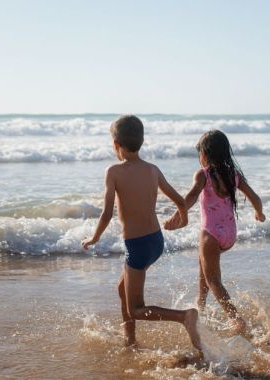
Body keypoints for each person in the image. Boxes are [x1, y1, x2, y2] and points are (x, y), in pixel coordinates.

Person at [81, 115, 201, 350]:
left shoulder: (113, 171)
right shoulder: (152, 169)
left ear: (116, 144)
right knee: (122, 290)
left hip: (137, 247)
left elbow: (106, 214)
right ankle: (130, 340)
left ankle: (184, 317)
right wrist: (183, 220)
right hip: (156, 242)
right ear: (141, 141)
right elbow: (179, 200)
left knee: (136, 309)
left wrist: (94, 238)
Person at [164, 129, 265, 334]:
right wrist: (259, 213)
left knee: (213, 280)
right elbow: (255, 197)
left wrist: (177, 218)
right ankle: (200, 305)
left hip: (210, 234)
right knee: (204, 267)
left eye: (200, 153)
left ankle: (237, 319)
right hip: (229, 234)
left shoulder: (204, 174)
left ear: (206, 154)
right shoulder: (233, 175)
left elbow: (190, 198)